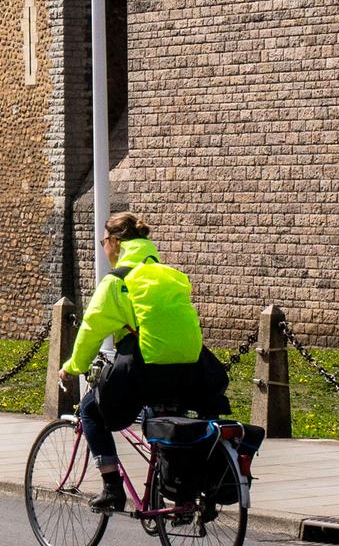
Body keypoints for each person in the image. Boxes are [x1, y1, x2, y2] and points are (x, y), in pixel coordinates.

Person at [62, 211, 224, 513]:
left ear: (114, 241)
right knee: (165, 416)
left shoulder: (118, 281)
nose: (103, 249)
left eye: (103, 242)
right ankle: (181, 495)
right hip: (192, 369)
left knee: (89, 412)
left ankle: (112, 488)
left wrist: (72, 367)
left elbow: (91, 329)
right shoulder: (169, 274)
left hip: (146, 365)